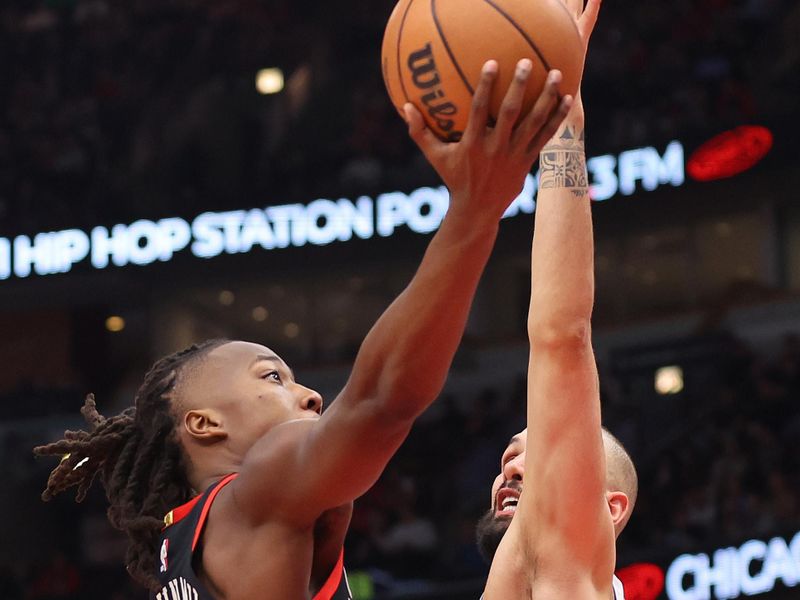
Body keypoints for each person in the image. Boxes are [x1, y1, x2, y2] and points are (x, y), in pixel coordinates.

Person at [34, 62, 574, 599]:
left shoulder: (181, 551)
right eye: (272, 377)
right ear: (203, 423)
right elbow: (382, 399)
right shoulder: (256, 492)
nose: (312, 396)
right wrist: (474, 211)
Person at [474, 0, 639, 598]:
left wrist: (565, 117)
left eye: (538, 452)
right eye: (507, 460)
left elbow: (561, 334)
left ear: (609, 508)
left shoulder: (565, 573)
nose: (508, 470)